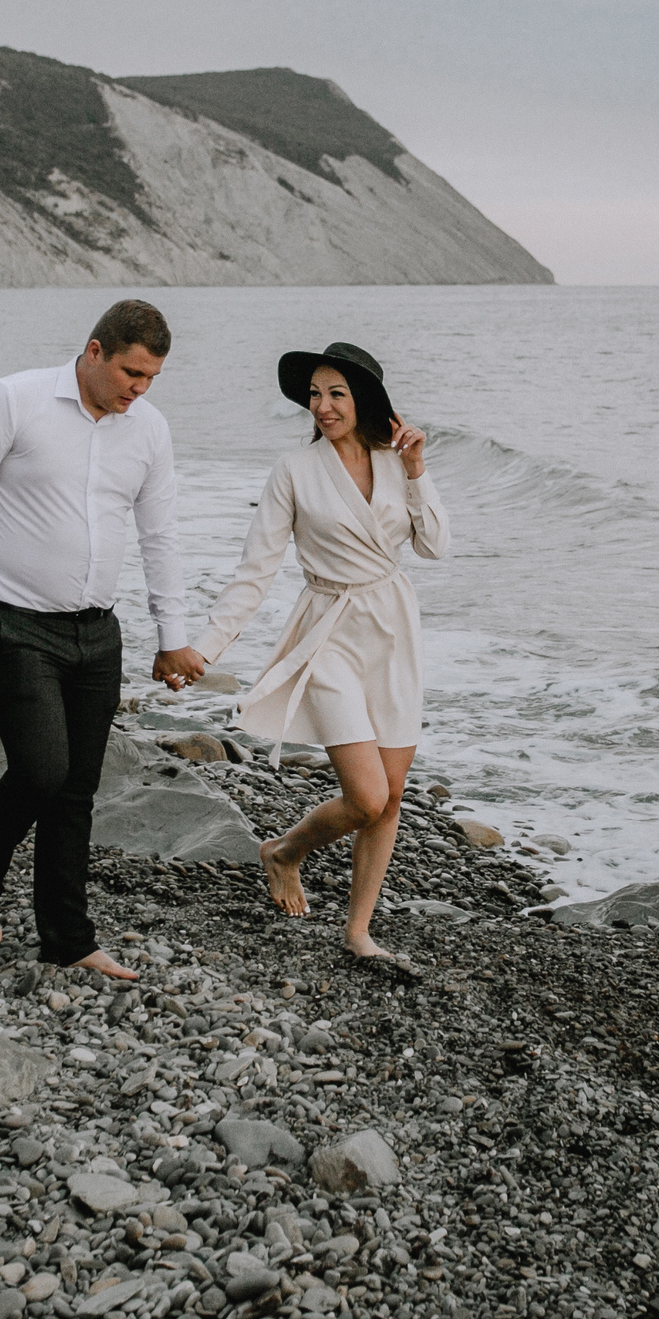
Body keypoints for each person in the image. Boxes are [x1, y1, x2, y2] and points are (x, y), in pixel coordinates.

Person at [0, 300, 208, 980]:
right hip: (14, 621)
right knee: (43, 768)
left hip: (97, 634)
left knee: (76, 790)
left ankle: (67, 938)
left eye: (152, 378)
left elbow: (159, 534)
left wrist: (173, 635)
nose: (139, 387)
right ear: (95, 350)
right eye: (132, 371)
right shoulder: (16, 400)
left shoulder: (150, 430)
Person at [186, 341, 447, 962]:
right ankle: (285, 850)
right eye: (315, 394)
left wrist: (416, 468)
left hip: (392, 628)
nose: (323, 406)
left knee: (393, 792)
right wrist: (205, 648)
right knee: (366, 796)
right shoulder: (295, 471)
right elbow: (256, 570)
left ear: (366, 400)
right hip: (327, 629)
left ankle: (358, 931)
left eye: (337, 393)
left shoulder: (395, 462)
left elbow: (434, 544)